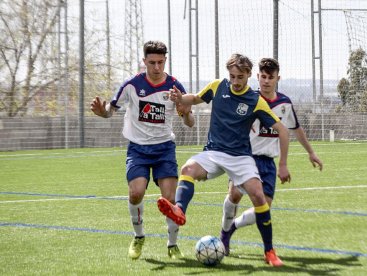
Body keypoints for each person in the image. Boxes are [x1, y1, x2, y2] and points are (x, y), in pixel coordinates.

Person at [156, 53, 291, 267]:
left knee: (258, 195)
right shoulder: (218, 86)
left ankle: (270, 252)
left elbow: (283, 131)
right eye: (232, 76)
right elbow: (195, 99)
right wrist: (179, 98)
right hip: (214, 152)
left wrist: (282, 164)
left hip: (240, 157)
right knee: (188, 168)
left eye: (240, 77)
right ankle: (179, 210)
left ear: (248, 75)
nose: (235, 82)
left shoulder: (256, 101)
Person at [90, 40, 194, 260]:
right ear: (144, 61)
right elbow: (111, 110)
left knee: (170, 199)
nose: (157, 67)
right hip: (137, 149)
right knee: (136, 193)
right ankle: (138, 237)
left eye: (161, 62)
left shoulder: (175, 87)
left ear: (165, 60)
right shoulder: (132, 85)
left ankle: (172, 245)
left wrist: (185, 112)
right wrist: (102, 113)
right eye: (152, 62)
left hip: (164, 148)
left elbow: (190, 122)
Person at [220, 57, 323, 257]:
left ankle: (232, 227)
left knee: (264, 207)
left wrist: (311, 152)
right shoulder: (247, 99)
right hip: (244, 158)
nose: (266, 81)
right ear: (257, 77)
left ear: (278, 78)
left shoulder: (284, 104)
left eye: (271, 77)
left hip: (267, 162)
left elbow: (295, 129)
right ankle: (224, 234)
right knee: (234, 195)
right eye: (263, 76)